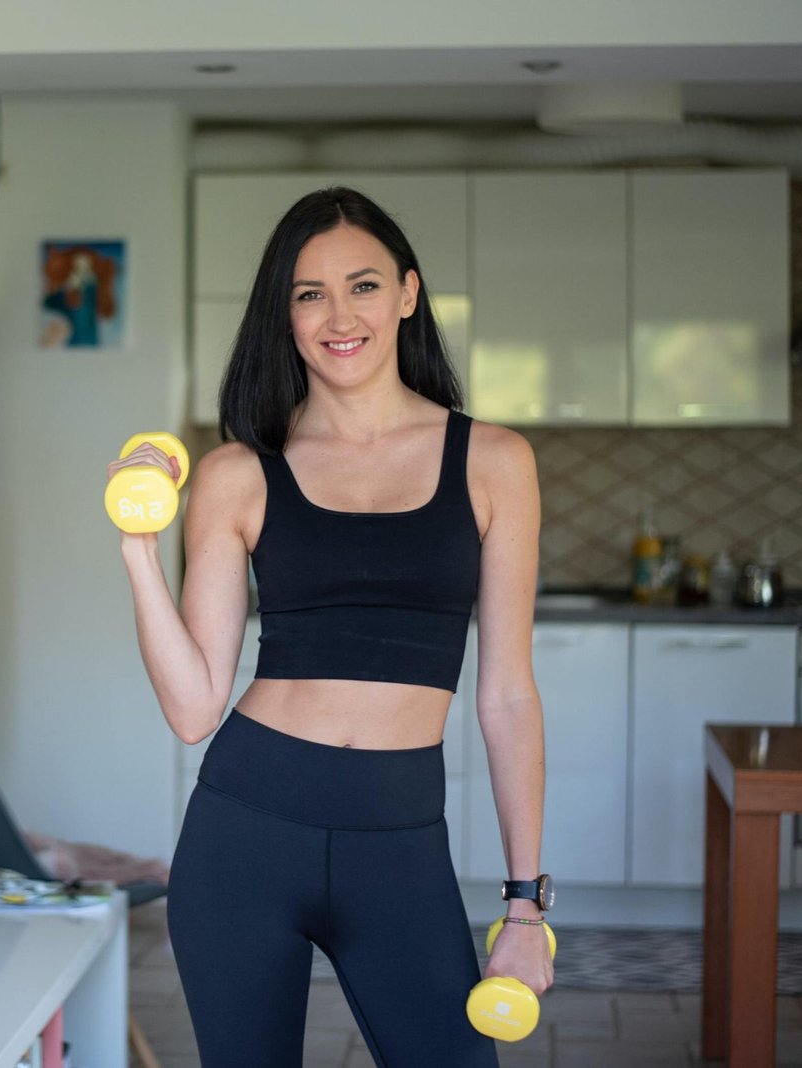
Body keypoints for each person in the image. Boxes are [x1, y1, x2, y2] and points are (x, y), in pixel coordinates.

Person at [108, 187, 550, 1066]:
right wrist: (137, 549)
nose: (338, 315)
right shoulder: (239, 474)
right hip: (247, 829)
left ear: (409, 295)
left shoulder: (495, 462)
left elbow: (506, 694)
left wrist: (526, 904)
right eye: (309, 293)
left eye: (363, 286)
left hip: (400, 839)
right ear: (285, 313)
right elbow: (195, 709)